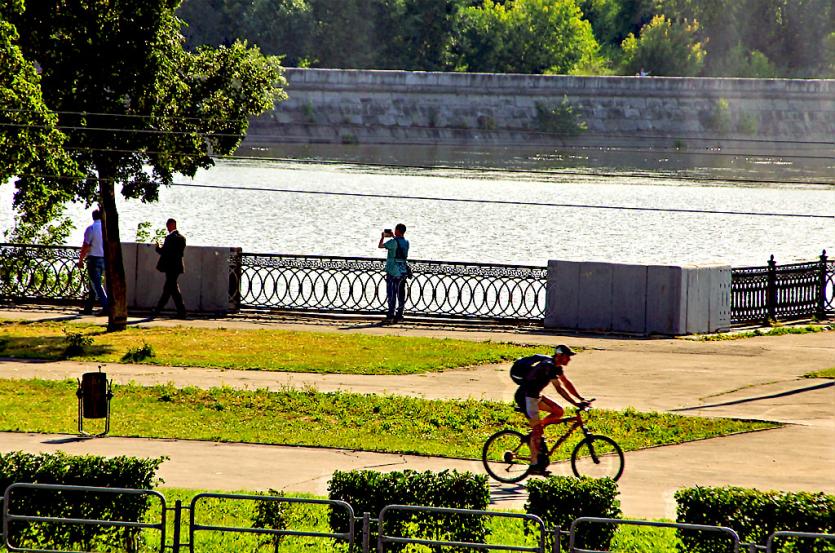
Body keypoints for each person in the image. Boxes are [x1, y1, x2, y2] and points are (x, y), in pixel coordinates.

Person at [512, 344, 588, 475]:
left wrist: (581, 399)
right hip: (526, 397)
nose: (569, 359)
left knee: (559, 411)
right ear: (559, 356)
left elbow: (566, 383)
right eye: (567, 356)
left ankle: (537, 429)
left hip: (535, 396)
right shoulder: (549, 366)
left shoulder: (556, 367)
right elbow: (559, 389)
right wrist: (575, 403)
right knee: (537, 431)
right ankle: (534, 465)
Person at [152, 218, 187, 318]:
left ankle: (158, 311)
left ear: (171, 225)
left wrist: (158, 247)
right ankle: (180, 311)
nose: (167, 228)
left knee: (169, 290)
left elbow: (164, 252)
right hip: (177, 267)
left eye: (168, 226)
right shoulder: (182, 238)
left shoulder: (170, 238)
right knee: (171, 289)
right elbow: (180, 253)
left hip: (170, 267)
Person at [77, 209, 109, 315]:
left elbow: (86, 245)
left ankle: (107, 307)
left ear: (93, 217)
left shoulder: (91, 229)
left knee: (96, 285)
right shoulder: (106, 229)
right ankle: (88, 308)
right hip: (103, 259)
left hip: (93, 259)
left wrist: (80, 260)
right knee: (93, 284)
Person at [377, 223, 409, 322]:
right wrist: (394, 236)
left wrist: (383, 237)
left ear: (398, 231)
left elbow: (380, 246)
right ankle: (400, 315)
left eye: (395, 230)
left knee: (391, 294)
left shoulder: (392, 242)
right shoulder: (406, 242)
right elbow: (398, 244)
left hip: (392, 271)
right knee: (401, 294)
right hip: (402, 271)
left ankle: (391, 315)